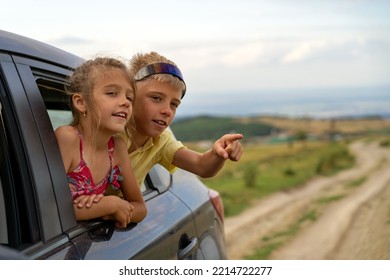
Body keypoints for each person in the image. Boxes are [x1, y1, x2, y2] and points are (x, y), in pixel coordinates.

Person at [119, 51, 243, 190]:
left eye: (174, 104)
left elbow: (202, 166)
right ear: (130, 95)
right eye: (156, 98)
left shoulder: (161, 141)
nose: (167, 111)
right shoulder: (106, 129)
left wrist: (218, 153)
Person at [55, 57, 147, 228]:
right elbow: (52, 209)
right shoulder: (68, 138)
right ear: (81, 103)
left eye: (129, 97)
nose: (125, 102)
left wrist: (114, 208)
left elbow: (140, 208)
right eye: (112, 93)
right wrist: (109, 205)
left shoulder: (117, 147)